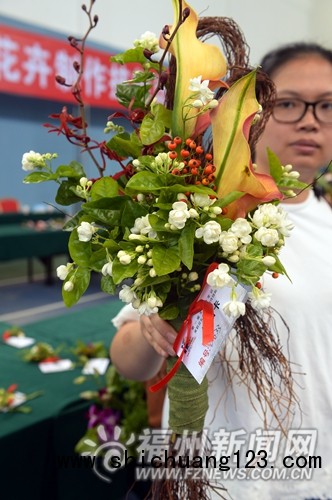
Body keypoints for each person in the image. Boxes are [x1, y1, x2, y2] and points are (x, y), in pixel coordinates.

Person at [110, 42, 332, 499]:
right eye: (290, 103)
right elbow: (128, 361)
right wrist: (156, 327)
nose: (311, 120)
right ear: (254, 110)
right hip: (215, 481)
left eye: (328, 106)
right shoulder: (201, 212)